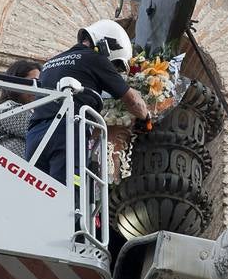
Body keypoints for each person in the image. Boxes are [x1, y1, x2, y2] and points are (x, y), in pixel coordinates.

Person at [25, 19, 150, 184]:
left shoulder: (49, 63)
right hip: (66, 132)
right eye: (115, 64)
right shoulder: (95, 58)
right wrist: (146, 118)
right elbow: (133, 100)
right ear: (107, 45)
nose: (112, 68)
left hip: (35, 136)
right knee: (70, 192)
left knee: (38, 191)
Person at [0, 59, 42, 155]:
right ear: (16, 83)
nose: (38, 88)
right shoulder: (9, 110)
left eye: (40, 83)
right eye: (33, 82)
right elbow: (42, 134)